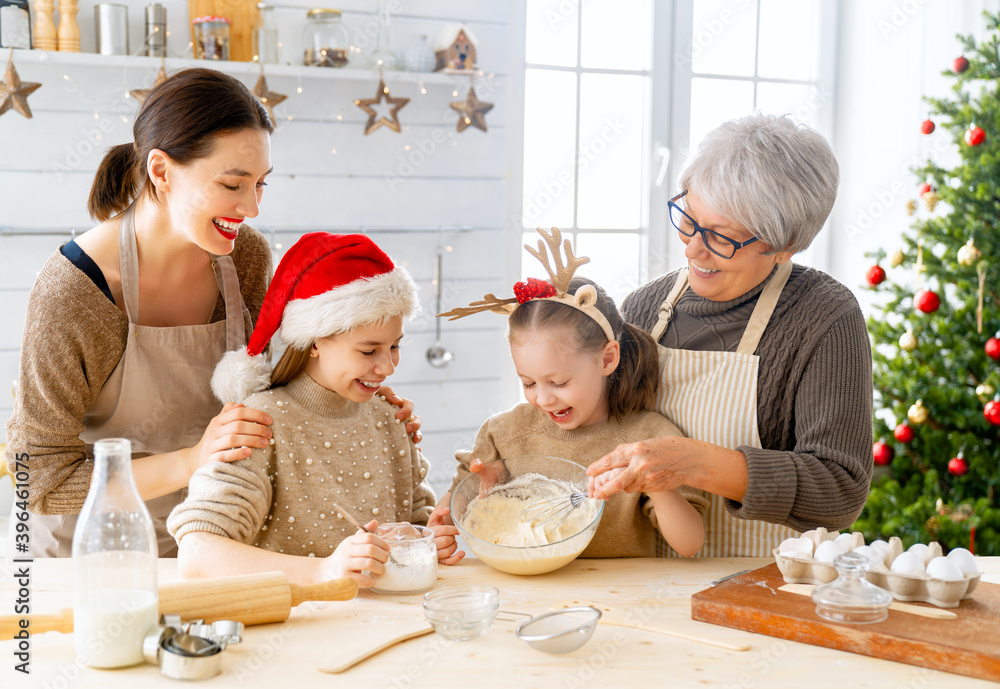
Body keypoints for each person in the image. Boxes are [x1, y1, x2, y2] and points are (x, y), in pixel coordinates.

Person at [3, 68, 419, 558]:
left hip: (216, 539)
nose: (252, 208)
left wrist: (357, 404)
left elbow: (274, 385)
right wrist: (191, 460)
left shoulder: (244, 258)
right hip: (93, 554)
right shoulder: (77, 292)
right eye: (232, 185)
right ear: (161, 172)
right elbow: (41, 479)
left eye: (260, 185)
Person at [586, 113, 874, 558]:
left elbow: (839, 491)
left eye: (722, 237)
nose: (692, 248)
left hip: (766, 584)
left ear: (785, 245)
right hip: (643, 581)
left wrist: (697, 464)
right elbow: (595, 434)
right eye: (689, 219)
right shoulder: (644, 308)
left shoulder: (824, 318)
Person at [168, 233, 462, 587]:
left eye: (394, 346)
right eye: (369, 352)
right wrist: (325, 571)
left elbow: (413, 523)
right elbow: (198, 555)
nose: (388, 367)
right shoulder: (258, 422)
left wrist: (429, 541)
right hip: (297, 630)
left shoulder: (389, 416)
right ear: (316, 342)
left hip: (385, 625)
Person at [430, 229, 708, 558]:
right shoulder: (504, 434)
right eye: (529, 383)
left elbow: (689, 544)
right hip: (523, 597)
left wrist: (656, 484)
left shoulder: (646, 438)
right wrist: (440, 530)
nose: (544, 399)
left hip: (617, 597)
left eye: (559, 382)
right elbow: (453, 508)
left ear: (607, 359)